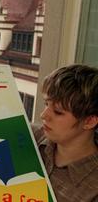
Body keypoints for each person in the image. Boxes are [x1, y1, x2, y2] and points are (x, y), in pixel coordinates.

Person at [33, 64, 98, 202]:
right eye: (46, 104)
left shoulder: (93, 189)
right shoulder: (29, 136)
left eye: (58, 112)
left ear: (89, 121)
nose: (44, 115)